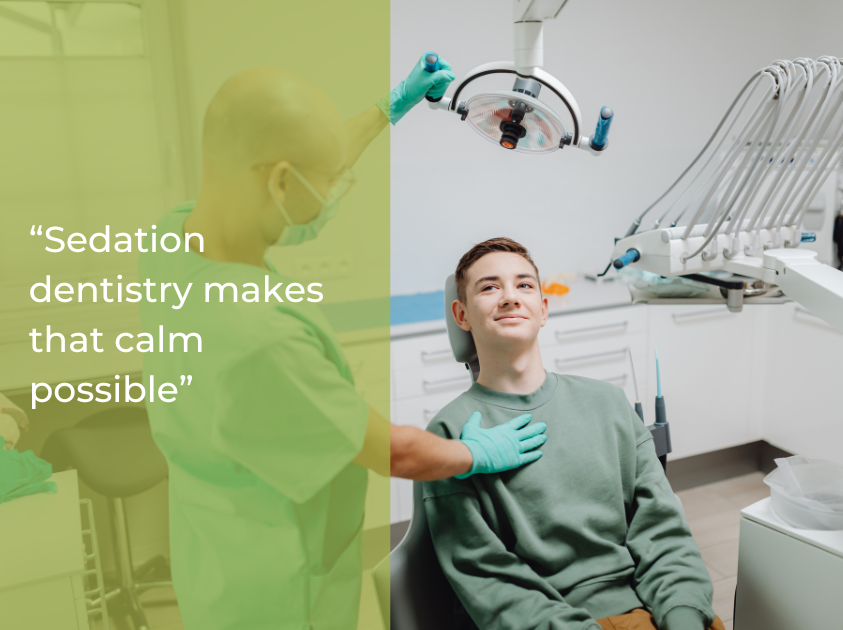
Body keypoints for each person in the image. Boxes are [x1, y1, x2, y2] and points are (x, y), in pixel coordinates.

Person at [138, 58, 547, 630]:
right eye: (325, 183)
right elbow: (393, 453)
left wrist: (388, 109)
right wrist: (477, 454)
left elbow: (303, 164)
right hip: (280, 590)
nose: (331, 194)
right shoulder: (261, 338)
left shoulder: (170, 239)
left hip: (214, 547)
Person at [422, 238, 725, 630]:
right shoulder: (450, 436)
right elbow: (485, 576)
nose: (510, 297)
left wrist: (682, 614)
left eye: (524, 285)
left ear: (543, 309)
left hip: (654, 609)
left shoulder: (608, 403)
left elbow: (664, 532)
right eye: (490, 287)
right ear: (461, 315)